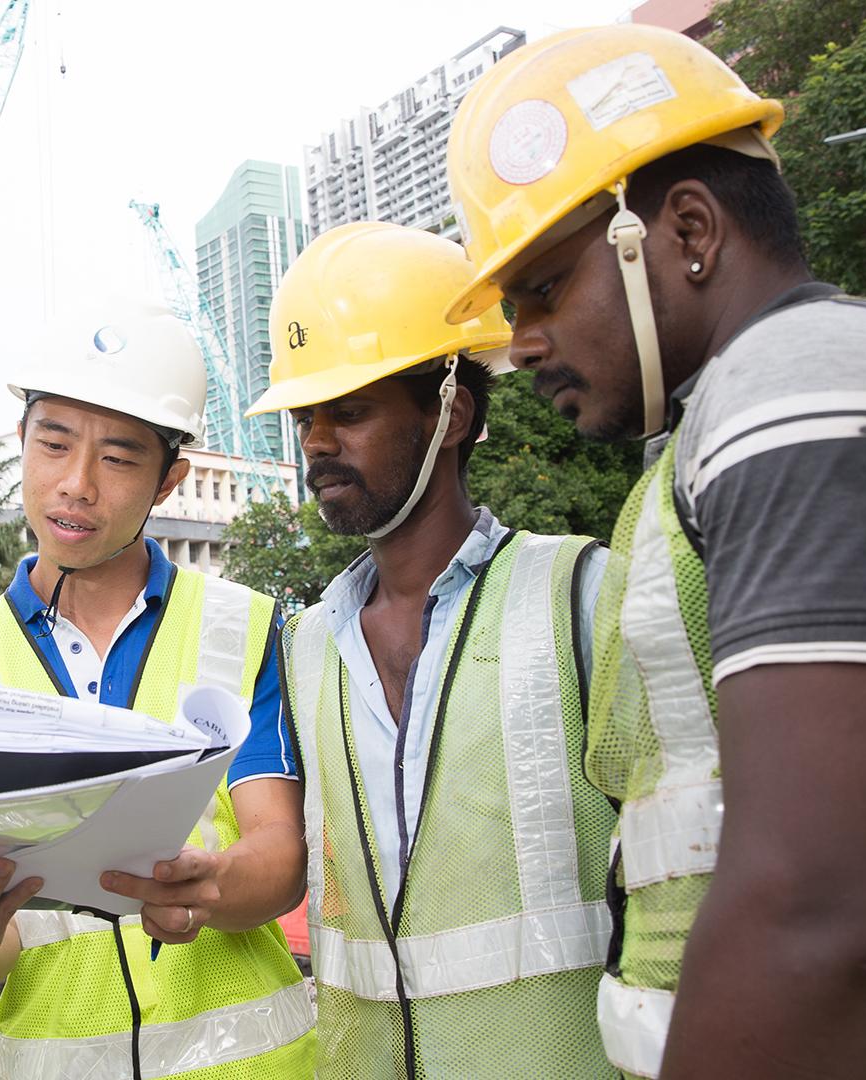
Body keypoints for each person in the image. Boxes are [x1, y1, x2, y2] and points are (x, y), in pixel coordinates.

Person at [444, 24, 866, 1078]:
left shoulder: (815, 384)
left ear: (688, 229)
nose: (519, 343)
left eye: (546, 287)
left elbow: (825, 916)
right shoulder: (714, 437)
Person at [0, 302, 316, 1078]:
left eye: (120, 459)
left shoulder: (242, 627)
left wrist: (213, 885)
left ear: (170, 480)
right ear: (20, 445)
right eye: (53, 444)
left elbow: (279, 852)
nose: (76, 485)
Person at [254, 221, 619, 1078]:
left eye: (348, 410)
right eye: (307, 415)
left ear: (450, 411)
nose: (314, 441)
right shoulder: (309, 647)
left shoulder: (578, 596)